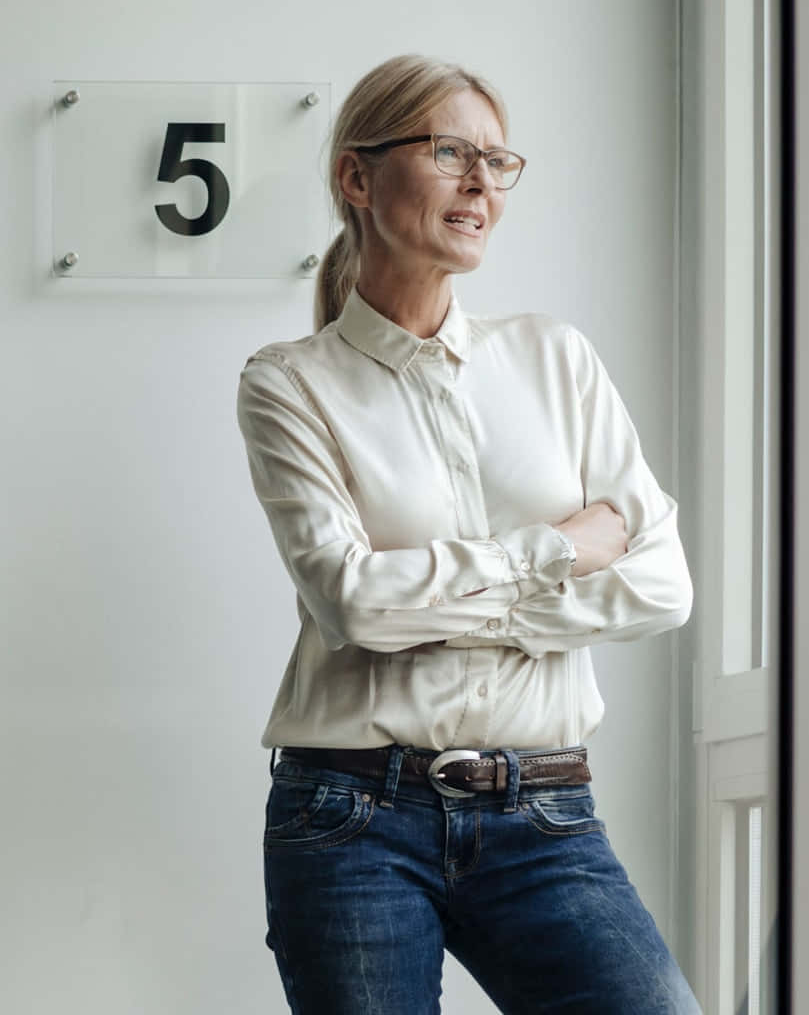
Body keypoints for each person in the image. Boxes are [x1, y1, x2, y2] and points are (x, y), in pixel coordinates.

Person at [234, 53, 701, 1013]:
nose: (483, 182)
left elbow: (661, 587)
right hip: (350, 815)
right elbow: (351, 603)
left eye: (499, 159)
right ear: (356, 179)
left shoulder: (555, 358)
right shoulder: (289, 383)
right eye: (451, 152)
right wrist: (557, 551)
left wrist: (443, 602)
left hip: (546, 810)